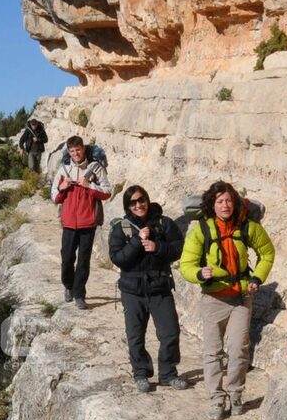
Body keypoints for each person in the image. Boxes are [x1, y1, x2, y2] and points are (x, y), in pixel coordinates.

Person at [180, 180, 275, 420]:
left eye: (229, 200)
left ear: (236, 203)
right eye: (220, 201)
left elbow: (267, 253)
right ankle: (217, 398)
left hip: (241, 297)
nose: (225, 205)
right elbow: (186, 265)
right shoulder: (202, 229)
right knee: (213, 352)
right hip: (213, 298)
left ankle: (235, 393)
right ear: (212, 205)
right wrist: (200, 273)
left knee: (238, 349)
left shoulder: (247, 227)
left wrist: (257, 278)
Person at [107, 185, 189, 392]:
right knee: (135, 335)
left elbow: (180, 249)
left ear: (147, 199)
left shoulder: (164, 223)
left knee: (170, 332)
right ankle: (141, 374)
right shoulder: (122, 227)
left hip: (159, 287)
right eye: (133, 202)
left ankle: (168, 373)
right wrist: (137, 240)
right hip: (132, 290)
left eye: (141, 200)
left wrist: (158, 247)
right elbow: (118, 259)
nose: (138, 205)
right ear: (127, 206)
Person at [52, 135, 111, 310]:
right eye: (72, 151)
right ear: (68, 152)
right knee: (67, 258)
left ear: (83, 149)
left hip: (88, 222)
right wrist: (62, 188)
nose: (76, 153)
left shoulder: (96, 168)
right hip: (69, 222)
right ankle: (68, 285)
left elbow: (107, 191)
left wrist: (90, 186)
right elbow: (54, 196)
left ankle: (79, 294)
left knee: (84, 260)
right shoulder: (64, 169)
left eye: (78, 149)